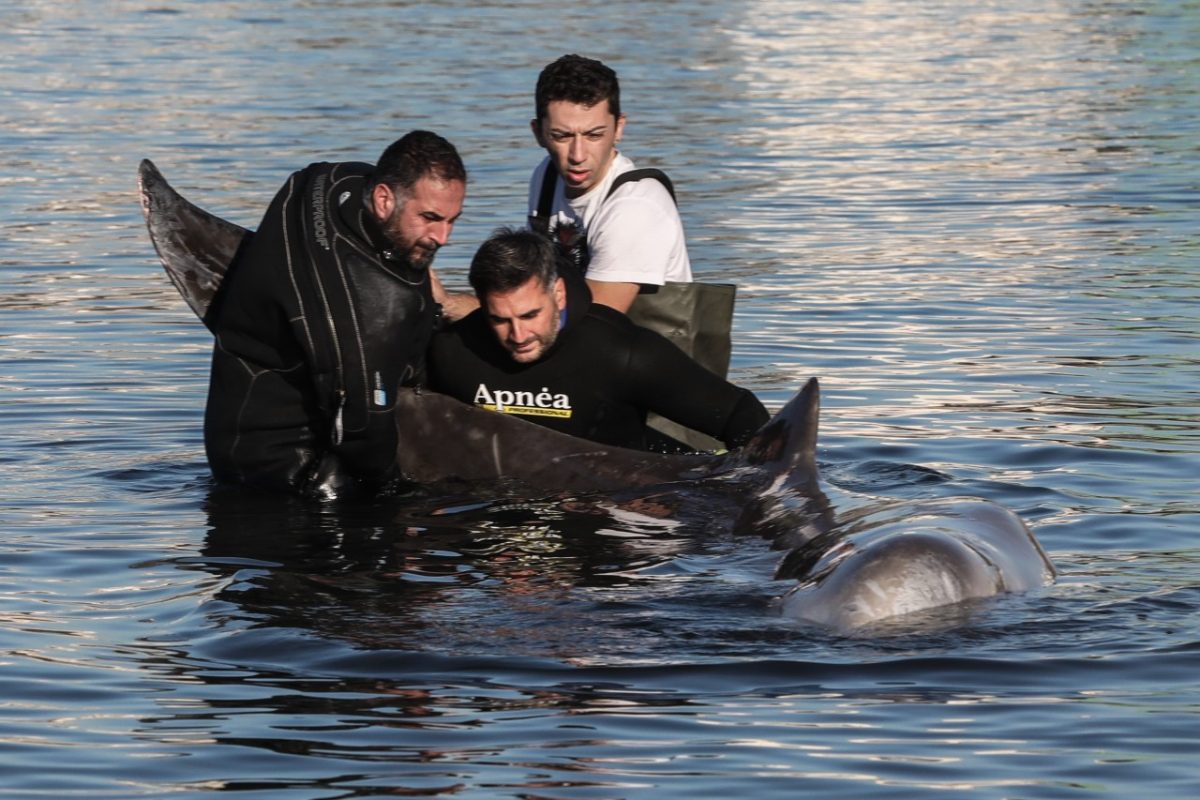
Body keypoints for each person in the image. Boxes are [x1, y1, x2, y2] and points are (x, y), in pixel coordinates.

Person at [204, 131, 467, 498]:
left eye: (453, 220)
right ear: (383, 199)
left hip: (228, 446)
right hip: (284, 477)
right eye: (430, 217)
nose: (443, 236)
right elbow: (362, 433)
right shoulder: (374, 311)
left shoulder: (324, 180)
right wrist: (401, 500)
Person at [425, 228, 766, 452]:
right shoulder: (452, 350)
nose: (518, 336)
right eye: (500, 320)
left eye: (530, 315)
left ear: (558, 294)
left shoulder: (619, 351)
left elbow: (743, 416)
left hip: (606, 523)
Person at [432, 53, 692, 321]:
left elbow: (595, 326)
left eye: (594, 135)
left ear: (619, 128)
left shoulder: (635, 206)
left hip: (634, 350)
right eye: (562, 136)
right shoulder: (546, 177)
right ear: (538, 133)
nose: (578, 155)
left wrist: (460, 308)